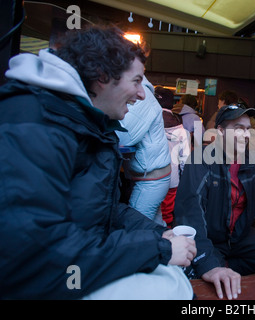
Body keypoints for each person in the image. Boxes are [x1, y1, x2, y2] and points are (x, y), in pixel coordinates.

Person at [0, 26, 196, 299]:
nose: (142, 94)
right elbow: (34, 257)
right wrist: (156, 248)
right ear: (103, 76)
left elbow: (104, 210)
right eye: (137, 81)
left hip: (68, 269)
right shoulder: (34, 122)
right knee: (171, 286)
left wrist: (159, 235)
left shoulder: (80, 120)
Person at [174, 103, 255, 300]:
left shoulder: (252, 158)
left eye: (248, 129)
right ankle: (215, 265)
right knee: (208, 283)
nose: (246, 135)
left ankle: (226, 266)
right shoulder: (201, 159)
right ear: (221, 131)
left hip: (239, 238)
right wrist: (209, 264)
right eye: (238, 129)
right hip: (210, 239)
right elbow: (190, 216)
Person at [116, 76, 171, 226]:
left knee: (135, 226)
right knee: (154, 224)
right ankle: (169, 245)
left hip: (151, 179)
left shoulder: (143, 98)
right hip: (151, 175)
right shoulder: (139, 94)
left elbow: (124, 137)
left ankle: (168, 246)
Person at [156, 86, 190, 227]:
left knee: (148, 214)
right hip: (172, 178)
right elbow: (185, 160)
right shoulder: (181, 129)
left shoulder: (149, 123)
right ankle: (167, 240)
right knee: (167, 214)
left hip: (149, 177)